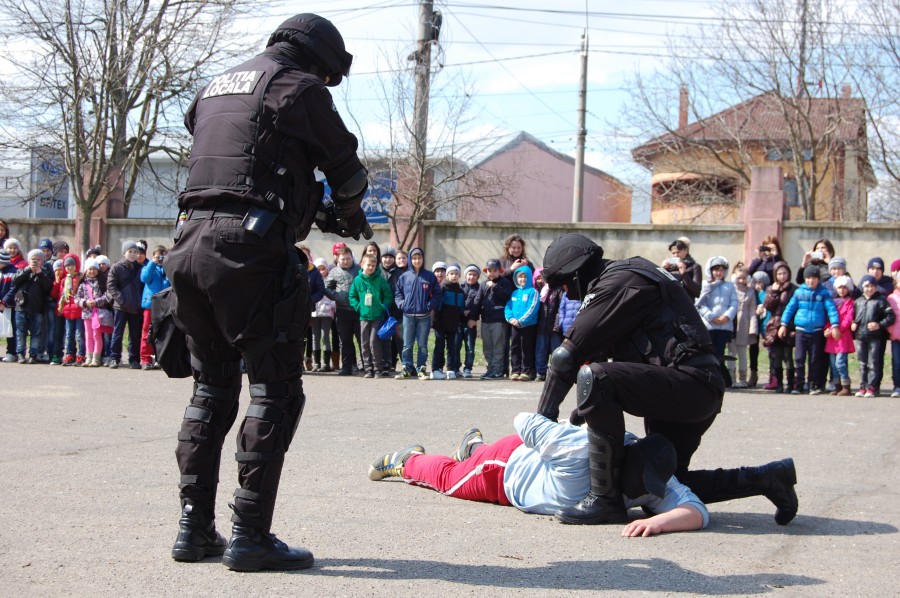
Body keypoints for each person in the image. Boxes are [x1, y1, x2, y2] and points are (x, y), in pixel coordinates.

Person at [165, 13, 371, 572]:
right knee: (275, 391)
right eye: (330, 77)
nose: (328, 86)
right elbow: (347, 174)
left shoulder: (215, 86)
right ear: (319, 61)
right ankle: (250, 536)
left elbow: (243, 167)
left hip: (186, 246)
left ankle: (193, 530)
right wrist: (350, 214)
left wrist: (310, 208)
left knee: (211, 390)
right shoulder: (296, 85)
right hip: (248, 254)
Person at [535, 233, 797, 526]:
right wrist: (587, 406)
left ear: (579, 273)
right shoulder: (629, 276)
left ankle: (605, 501)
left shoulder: (618, 282)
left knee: (596, 379)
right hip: (692, 387)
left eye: (567, 285)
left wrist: (541, 423)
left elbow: (565, 358)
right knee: (653, 487)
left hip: (690, 384)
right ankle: (769, 478)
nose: (569, 294)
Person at [368, 412, 709, 537]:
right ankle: (406, 460)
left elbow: (697, 513)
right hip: (506, 468)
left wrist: (658, 523)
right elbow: (524, 421)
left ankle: (473, 447)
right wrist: (560, 432)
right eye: (632, 483)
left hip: (534, 456)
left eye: (644, 490)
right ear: (618, 459)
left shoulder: (654, 482)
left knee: (468, 461)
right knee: (448, 479)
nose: (638, 495)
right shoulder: (582, 448)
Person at [778, 265, 840, 395]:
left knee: (814, 360)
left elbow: (831, 309)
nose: (811, 281)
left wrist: (835, 325)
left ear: (818, 279)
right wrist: (783, 324)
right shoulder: (799, 292)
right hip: (801, 330)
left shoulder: (823, 293)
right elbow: (790, 309)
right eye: (808, 278)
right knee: (799, 359)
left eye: (814, 278)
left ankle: (813, 385)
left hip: (817, 331)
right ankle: (799, 385)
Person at [394, 247, 441, 380]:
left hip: (424, 317)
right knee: (407, 345)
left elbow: (437, 294)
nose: (417, 260)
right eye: (414, 258)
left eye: (419, 258)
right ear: (410, 260)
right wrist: (402, 305)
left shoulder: (430, 276)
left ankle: (421, 369)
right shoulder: (404, 277)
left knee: (422, 345)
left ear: (423, 259)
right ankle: (406, 368)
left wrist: (428, 306)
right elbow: (398, 294)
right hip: (407, 316)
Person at [349, 253, 391, 378]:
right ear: (362, 265)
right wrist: (358, 307)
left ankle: (377, 368)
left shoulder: (380, 280)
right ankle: (368, 369)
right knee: (364, 342)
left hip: (377, 316)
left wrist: (383, 306)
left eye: (373, 265)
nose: (371, 267)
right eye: (368, 265)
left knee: (374, 342)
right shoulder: (357, 280)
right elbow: (352, 296)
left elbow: (388, 295)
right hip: (364, 317)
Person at [851, 275, 895, 397]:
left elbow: (890, 317)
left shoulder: (881, 300)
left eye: (871, 286)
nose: (869, 289)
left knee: (873, 362)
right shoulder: (858, 301)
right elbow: (854, 317)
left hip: (875, 337)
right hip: (861, 336)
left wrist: (879, 325)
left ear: (875, 288)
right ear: (862, 287)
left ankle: (872, 387)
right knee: (862, 363)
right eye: (866, 286)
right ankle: (863, 386)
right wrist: (853, 324)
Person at [469, 259, 512, 380]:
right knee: (487, 347)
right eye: (489, 271)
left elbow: (507, 297)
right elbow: (477, 301)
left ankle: (498, 370)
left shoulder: (504, 283)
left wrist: (496, 287)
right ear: (486, 271)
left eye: (495, 271)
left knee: (498, 346)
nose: (492, 273)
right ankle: (490, 369)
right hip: (486, 320)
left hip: (499, 320)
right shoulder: (483, 284)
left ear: (500, 271)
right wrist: (473, 317)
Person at [6, 249, 51, 363]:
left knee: (36, 333)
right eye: (33, 259)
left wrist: (40, 273)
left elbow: (48, 287)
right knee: (21, 332)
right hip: (21, 307)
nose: (35, 262)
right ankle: (20, 354)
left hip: (37, 308)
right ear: (29, 260)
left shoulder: (44, 273)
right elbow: (15, 281)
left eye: (38, 260)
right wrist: (27, 270)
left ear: (42, 261)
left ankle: (33, 355)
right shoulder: (22, 270)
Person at [694, 256, 738, 368]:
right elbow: (700, 303)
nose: (718, 273)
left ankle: (721, 376)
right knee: (709, 352)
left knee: (721, 352)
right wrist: (711, 317)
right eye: (716, 270)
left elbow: (734, 303)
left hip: (724, 326)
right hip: (709, 325)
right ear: (711, 270)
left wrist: (727, 316)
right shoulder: (705, 285)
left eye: (721, 270)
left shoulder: (730, 286)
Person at [107, 241, 145, 370]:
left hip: (136, 307)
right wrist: (121, 300)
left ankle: (134, 359)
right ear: (124, 253)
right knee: (118, 333)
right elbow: (111, 286)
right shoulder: (116, 267)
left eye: (135, 252)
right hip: (121, 306)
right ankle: (114, 358)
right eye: (130, 252)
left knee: (135, 335)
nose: (133, 254)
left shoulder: (141, 268)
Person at [325, 245, 361, 376]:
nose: (346, 261)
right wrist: (337, 297)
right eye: (343, 259)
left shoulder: (359, 270)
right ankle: (346, 366)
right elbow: (327, 288)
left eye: (348, 258)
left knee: (362, 339)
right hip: (342, 311)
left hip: (358, 310)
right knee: (345, 341)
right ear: (338, 259)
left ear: (352, 258)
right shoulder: (334, 272)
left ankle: (366, 365)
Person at [762, 262, 797, 393]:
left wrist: (788, 325)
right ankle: (779, 383)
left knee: (788, 356)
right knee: (776, 356)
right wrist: (774, 292)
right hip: (774, 327)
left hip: (789, 325)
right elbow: (768, 306)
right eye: (779, 274)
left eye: (784, 273)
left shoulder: (793, 289)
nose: (782, 276)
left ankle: (790, 383)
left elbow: (794, 307)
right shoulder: (771, 288)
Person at [74, 257, 114, 367]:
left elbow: (107, 296)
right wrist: (85, 302)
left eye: (94, 269)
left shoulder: (102, 282)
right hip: (87, 313)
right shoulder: (82, 284)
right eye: (90, 269)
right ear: (86, 270)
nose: (92, 271)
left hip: (99, 314)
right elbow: (76, 298)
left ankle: (96, 358)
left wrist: (96, 302)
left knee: (97, 336)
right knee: (88, 336)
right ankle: (88, 357)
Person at [505, 264, 539, 381]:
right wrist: (511, 319)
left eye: (525, 277)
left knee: (526, 348)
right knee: (515, 347)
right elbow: (508, 307)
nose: (522, 279)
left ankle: (527, 371)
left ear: (529, 277)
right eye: (520, 277)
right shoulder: (514, 293)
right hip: (514, 325)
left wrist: (522, 321)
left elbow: (533, 308)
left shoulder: (533, 292)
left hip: (528, 326)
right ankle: (515, 370)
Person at [727, 265, 758, 388]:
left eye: (744, 278)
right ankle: (731, 378)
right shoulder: (730, 290)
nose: (741, 280)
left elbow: (752, 312)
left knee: (742, 353)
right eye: (739, 278)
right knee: (731, 352)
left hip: (744, 325)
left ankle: (743, 378)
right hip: (731, 324)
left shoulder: (750, 292)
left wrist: (753, 329)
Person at [433, 264, 465, 380]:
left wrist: (461, 320)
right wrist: (435, 322)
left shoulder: (461, 291)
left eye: (456, 274)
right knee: (439, 346)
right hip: (441, 323)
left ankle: (451, 369)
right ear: (447, 276)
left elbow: (461, 308)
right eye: (451, 274)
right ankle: (436, 368)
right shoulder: (443, 288)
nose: (454, 276)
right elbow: (437, 307)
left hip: (453, 324)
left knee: (452, 347)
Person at [140, 245, 170, 370]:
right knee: (147, 332)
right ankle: (145, 358)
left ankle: (160, 359)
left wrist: (168, 264)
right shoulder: (149, 268)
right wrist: (153, 263)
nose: (160, 259)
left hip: (165, 305)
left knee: (163, 333)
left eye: (162, 256)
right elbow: (144, 278)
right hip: (150, 304)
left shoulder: (167, 268)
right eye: (157, 256)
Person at [825, 275, 856, 396]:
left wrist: (837, 329)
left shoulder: (850, 302)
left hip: (842, 336)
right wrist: (827, 329)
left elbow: (848, 319)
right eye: (839, 287)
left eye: (844, 287)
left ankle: (846, 385)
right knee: (833, 364)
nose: (842, 290)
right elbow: (828, 317)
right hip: (832, 337)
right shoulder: (832, 302)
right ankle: (837, 386)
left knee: (840, 362)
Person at [55, 253, 86, 366]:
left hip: (79, 310)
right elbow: (61, 295)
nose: (70, 267)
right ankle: (70, 354)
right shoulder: (65, 280)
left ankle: (81, 355)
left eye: (72, 265)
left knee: (79, 334)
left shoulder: (81, 278)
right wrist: (60, 308)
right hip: (68, 311)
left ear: (76, 265)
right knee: (69, 334)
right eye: (67, 266)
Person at [533, 267, 563, 382]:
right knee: (541, 350)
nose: (542, 280)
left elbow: (560, 309)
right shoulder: (539, 291)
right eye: (539, 278)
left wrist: (556, 324)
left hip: (553, 327)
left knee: (555, 350)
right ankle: (540, 372)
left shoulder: (558, 290)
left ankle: (556, 373)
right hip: (541, 326)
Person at [310, 258, 336, 372]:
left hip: (326, 312)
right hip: (314, 312)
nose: (321, 271)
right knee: (315, 337)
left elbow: (333, 295)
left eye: (323, 268)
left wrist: (331, 305)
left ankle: (326, 363)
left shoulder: (330, 281)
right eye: (318, 269)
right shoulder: (312, 280)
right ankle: (316, 362)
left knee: (325, 336)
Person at [461, 264, 481, 379]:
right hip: (459, 321)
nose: (471, 277)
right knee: (456, 345)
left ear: (477, 277)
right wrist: (462, 311)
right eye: (470, 274)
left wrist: (473, 318)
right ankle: (455, 367)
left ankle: (468, 368)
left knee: (470, 347)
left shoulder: (479, 289)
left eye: (474, 275)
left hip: (471, 323)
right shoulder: (460, 287)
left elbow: (478, 305)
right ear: (465, 275)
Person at [887, 272, 900, 398]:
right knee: (897, 363)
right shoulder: (891, 298)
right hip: (896, 337)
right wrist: (891, 331)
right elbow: (889, 317)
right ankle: (897, 386)